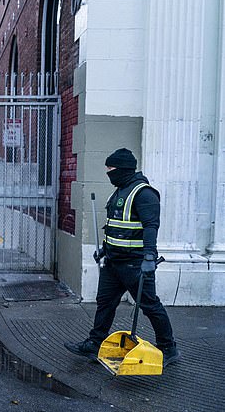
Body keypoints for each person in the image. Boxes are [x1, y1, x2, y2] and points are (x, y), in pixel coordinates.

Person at [64, 148, 180, 368]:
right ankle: (95, 344)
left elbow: (150, 227)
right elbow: (117, 228)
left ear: (124, 169)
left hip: (135, 263)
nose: (109, 173)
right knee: (105, 303)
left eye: (111, 169)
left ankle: (168, 348)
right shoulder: (119, 191)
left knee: (149, 305)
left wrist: (149, 257)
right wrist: (105, 249)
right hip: (113, 262)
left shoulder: (144, 193)